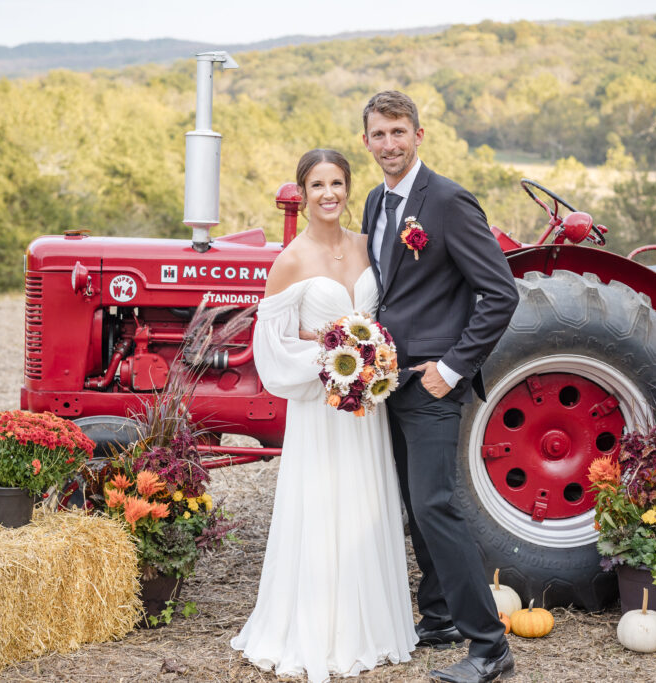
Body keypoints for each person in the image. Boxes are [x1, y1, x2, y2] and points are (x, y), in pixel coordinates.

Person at [230, 149, 416, 682]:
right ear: (303, 192)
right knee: (321, 505)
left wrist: (371, 359)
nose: (328, 193)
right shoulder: (291, 259)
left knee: (364, 505)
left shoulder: (368, 246)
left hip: (366, 409)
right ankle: (316, 627)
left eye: (337, 182)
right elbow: (272, 348)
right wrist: (331, 359)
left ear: (349, 188)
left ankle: (370, 627)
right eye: (317, 185)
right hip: (321, 409)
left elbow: (383, 318)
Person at [360, 91, 520, 683]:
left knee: (435, 503)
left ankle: (490, 646)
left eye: (399, 132)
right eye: (379, 135)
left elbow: (500, 293)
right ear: (367, 142)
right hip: (387, 381)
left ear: (419, 135)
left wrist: (450, 367)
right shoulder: (376, 202)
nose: (390, 144)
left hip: (432, 382)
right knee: (413, 504)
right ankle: (440, 616)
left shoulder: (448, 202)